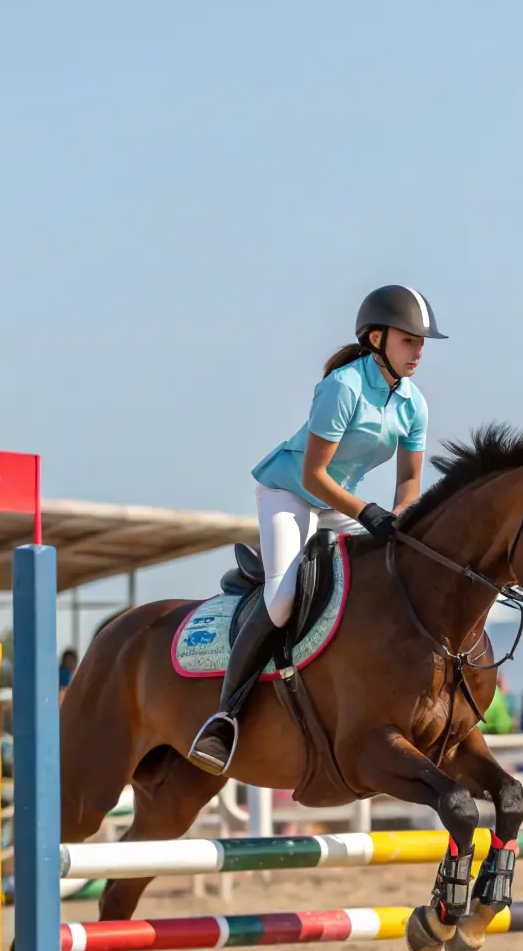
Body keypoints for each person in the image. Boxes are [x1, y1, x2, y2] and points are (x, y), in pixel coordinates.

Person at [189, 285, 446, 776]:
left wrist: (402, 521)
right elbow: (312, 475)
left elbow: (410, 480)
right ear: (376, 338)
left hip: (340, 500)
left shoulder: (414, 404)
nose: (419, 351)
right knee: (283, 598)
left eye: (421, 342)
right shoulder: (343, 387)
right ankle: (225, 717)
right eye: (409, 340)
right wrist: (369, 513)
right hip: (290, 492)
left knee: (385, 580)